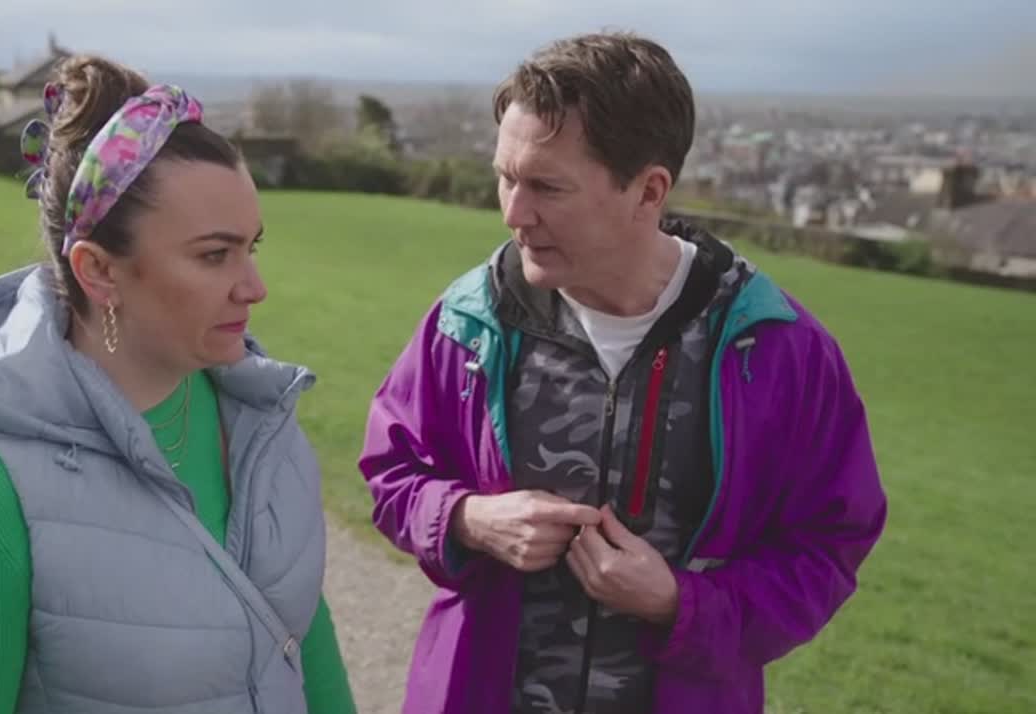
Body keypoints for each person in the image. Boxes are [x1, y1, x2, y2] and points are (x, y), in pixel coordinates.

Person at [358, 31, 887, 714]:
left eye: (547, 187)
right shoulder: (465, 324)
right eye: (506, 177)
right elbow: (391, 473)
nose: (513, 213)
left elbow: (828, 543)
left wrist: (680, 604)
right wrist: (466, 518)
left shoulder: (777, 350)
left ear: (649, 190)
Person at [0, 54, 357, 714]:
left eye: (250, 248)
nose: (254, 287)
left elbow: (297, 638)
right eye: (215, 255)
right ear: (98, 271)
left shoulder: (262, 422)